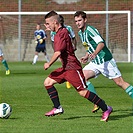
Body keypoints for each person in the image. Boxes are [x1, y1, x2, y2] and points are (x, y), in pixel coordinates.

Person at [43, 10, 112, 122]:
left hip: (72, 68)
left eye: (47, 23)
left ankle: (106, 108)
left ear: (55, 22)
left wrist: (48, 64)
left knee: (82, 92)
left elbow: (58, 52)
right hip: (65, 67)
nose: (46, 26)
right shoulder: (60, 32)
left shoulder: (61, 34)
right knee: (48, 82)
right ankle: (57, 108)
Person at [74, 11, 133, 109]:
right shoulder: (81, 33)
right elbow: (89, 46)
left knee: (120, 82)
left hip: (105, 60)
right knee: (82, 78)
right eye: (76, 21)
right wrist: (87, 56)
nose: (78, 23)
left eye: (80, 20)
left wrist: (95, 53)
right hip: (95, 62)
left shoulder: (90, 30)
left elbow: (101, 43)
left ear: (85, 20)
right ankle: (97, 102)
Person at [50, 15, 77, 89]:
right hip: (60, 51)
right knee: (65, 65)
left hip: (69, 50)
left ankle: (72, 80)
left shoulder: (68, 28)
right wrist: (55, 50)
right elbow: (52, 42)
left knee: (71, 65)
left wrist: (75, 46)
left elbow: (73, 37)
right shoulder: (53, 32)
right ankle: (69, 79)